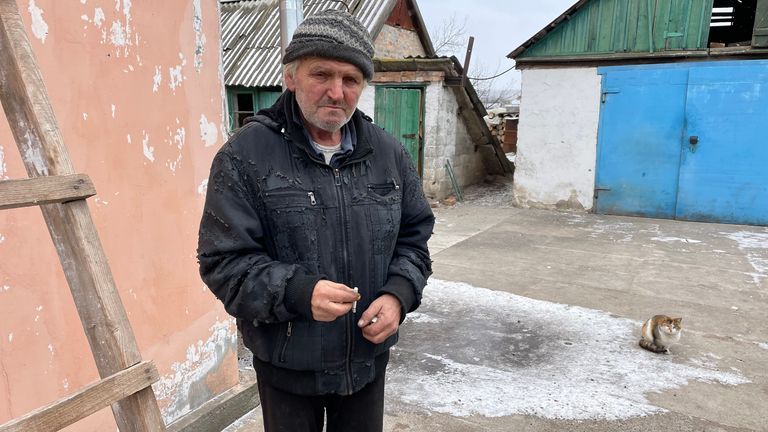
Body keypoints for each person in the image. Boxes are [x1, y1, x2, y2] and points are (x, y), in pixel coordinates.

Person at [197, 9, 434, 432]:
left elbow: (414, 240)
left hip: (367, 361)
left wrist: (399, 294)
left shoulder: (389, 155)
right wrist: (297, 292)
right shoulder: (244, 156)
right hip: (287, 365)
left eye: (351, 80)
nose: (336, 92)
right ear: (291, 76)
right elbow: (223, 262)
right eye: (321, 74)